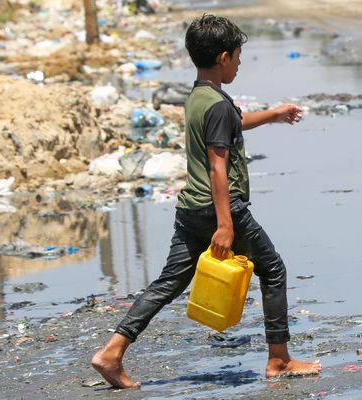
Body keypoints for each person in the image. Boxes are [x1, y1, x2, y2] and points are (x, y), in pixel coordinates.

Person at [91, 13, 321, 388]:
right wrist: (226, 225)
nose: (240, 64)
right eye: (238, 57)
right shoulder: (216, 104)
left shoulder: (201, 96)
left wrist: (275, 115)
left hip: (190, 209)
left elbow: (233, 121)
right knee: (273, 269)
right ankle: (279, 359)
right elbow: (218, 167)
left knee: (168, 283)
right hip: (220, 208)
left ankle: (111, 354)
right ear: (224, 56)